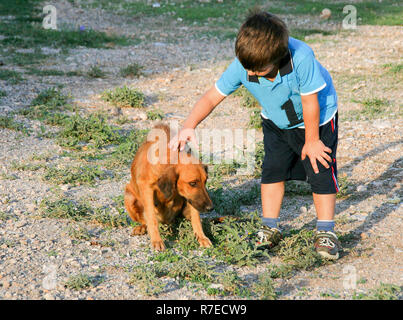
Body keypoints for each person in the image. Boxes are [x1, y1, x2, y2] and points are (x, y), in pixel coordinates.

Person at [169, 11, 341, 260]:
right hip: (276, 121)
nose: (253, 73)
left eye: (260, 69)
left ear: (278, 56)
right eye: (249, 68)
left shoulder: (302, 58)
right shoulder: (243, 66)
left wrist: (312, 141)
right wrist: (189, 125)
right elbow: (212, 96)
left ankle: (326, 232)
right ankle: (269, 227)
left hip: (317, 119)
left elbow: (310, 102)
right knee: (272, 170)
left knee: (320, 169)